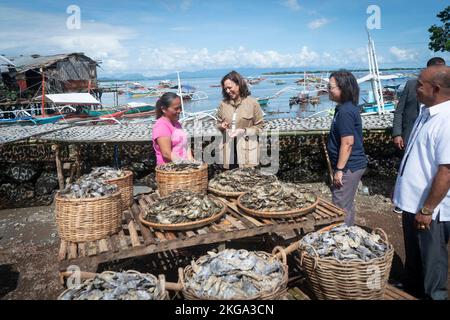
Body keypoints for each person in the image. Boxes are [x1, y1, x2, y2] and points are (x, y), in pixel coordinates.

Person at [393, 65, 450, 300]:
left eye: (419, 84)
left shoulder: (446, 121)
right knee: (415, 260)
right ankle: (411, 291)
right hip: (412, 204)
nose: (415, 88)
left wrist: (427, 209)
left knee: (432, 264)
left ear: (435, 89)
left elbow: (446, 171)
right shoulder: (426, 112)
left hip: (430, 211)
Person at [327, 70, 367, 226]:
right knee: (346, 205)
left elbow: (348, 142)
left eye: (331, 87)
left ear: (343, 88)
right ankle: (348, 232)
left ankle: (340, 239)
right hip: (351, 165)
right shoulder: (344, 108)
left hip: (349, 166)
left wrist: (339, 170)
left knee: (339, 206)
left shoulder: (345, 111)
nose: (328, 90)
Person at [392, 57, 446, 150]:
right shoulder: (411, 85)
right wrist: (397, 134)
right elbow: (399, 111)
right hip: (410, 136)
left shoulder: (446, 90)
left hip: (436, 138)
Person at [216, 71, 264, 169]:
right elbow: (217, 124)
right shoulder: (223, 104)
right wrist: (221, 126)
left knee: (248, 181)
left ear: (238, 85)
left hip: (247, 152)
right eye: (225, 89)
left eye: (230, 88)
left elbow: (260, 127)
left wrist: (243, 131)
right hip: (227, 152)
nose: (228, 91)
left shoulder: (253, 103)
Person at [152, 92, 193, 165]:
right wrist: (185, 164)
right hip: (170, 170)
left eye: (180, 107)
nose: (179, 111)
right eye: (176, 108)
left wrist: (192, 161)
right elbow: (166, 154)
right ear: (164, 109)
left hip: (182, 167)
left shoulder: (177, 124)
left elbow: (185, 146)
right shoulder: (161, 126)